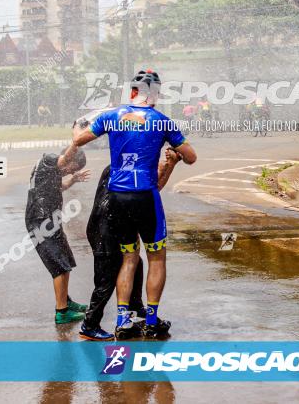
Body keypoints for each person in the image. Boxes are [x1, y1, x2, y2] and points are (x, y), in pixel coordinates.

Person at [69, 70, 197, 339]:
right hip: (144, 195)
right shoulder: (162, 121)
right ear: (154, 93)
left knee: (128, 256)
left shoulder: (112, 116)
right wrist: (175, 153)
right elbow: (191, 157)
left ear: (133, 92)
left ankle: (123, 321)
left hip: (117, 196)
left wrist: (85, 119)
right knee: (156, 257)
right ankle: (151, 321)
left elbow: (78, 140)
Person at [79, 144, 182, 341]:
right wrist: (171, 164)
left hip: (106, 225)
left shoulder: (122, 164)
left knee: (136, 264)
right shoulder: (128, 168)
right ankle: (89, 325)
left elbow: (153, 186)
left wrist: (169, 165)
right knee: (107, 279)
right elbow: (154, 188)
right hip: (105, 229)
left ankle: (135, 307)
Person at [24, 144, 92, 324]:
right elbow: (65, 159)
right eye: (72, 168)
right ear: (68, 159)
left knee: (65, 261)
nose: (70, 171)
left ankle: (66, 301)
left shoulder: (51, 170)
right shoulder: (49, 160)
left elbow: (57, 187)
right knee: (59, 266)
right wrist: (77, 141)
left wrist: (73, 180)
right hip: (41, 222)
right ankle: (61, 312)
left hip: (51, 220)